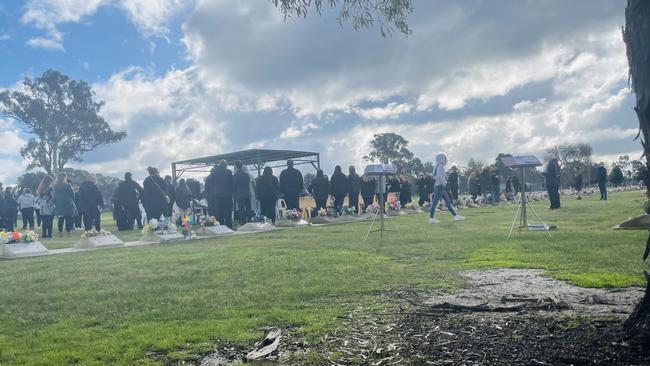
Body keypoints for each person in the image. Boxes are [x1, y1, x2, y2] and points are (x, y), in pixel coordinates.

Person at [429, 153, 465, 224]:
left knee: (447, 201)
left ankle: (455, 216)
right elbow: (440, 177)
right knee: (436, 202)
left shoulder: (436, 166)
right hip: (440, 186)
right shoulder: (441, 166)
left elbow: (435, 176)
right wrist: (444, 183)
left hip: (437, 186)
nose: (446, 160)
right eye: (445, 158)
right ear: (442, 159)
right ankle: (431, 218)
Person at [206, 160, 234, 229]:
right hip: (227, 195)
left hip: (217, 195)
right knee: (228, 211)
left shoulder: (214, 172)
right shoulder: (229, 172)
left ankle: (221, 226)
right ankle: (229, 226)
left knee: (219, 212)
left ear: (219, 164)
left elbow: (211, 184)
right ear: (226, 165)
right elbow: (232, 183)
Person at [233, 161, 252, 226]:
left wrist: (234, 192)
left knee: (241, 209)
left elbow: (234, 186)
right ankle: (250, 220)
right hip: (247, 193)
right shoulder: (247, 175)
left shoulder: (235, 175)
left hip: (239, 194)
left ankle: (243, 222)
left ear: (236, 166)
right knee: (248, 208)